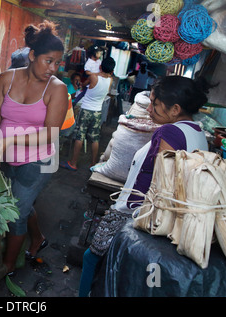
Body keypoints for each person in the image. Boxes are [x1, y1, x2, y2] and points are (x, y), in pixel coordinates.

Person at [78, 75, 211, 297]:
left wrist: (131, 216)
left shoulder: (169, 132)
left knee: (92, 258)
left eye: (155, 103)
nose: (149, 109)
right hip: (159, 219)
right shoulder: (197, 132)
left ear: (175, 109)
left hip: (133, 214)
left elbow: (159, 184)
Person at [0, 20, 68, 276]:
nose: (53, 68)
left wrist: (9, 140)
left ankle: (6, 265)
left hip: (38, 161)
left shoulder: (57, 89)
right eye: (48, 61)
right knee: (18, 201)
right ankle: (37, 237)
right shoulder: (6, 79)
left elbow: (50, 134)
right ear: (32, 55)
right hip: (4, 155)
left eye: (57, 63)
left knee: (16, 212)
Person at [60, 57, 116, 171]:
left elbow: (84, 84)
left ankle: (73, 163)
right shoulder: (110, 80)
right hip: (97, 111)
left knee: (80, 136)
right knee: (95, 138)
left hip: (86, 110)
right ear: (112, 70)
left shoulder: (93, 77)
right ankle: (93, 163)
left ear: (100, 66)